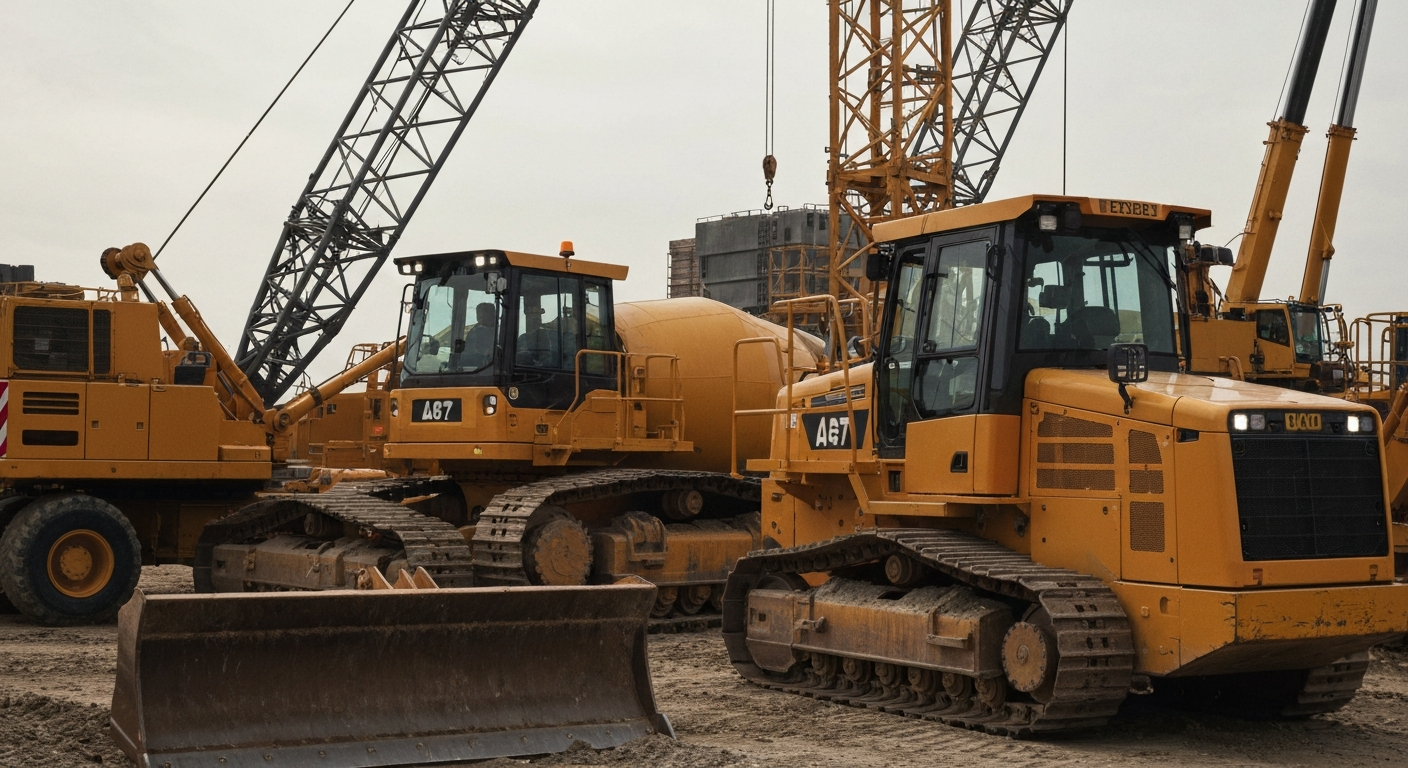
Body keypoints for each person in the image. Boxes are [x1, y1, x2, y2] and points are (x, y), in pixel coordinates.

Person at [463, 302, 497, 367]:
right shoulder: (475, 332)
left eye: (485, 313)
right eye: (479, 313)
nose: (480, 316)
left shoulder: (501, 331)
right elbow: (470, 351)